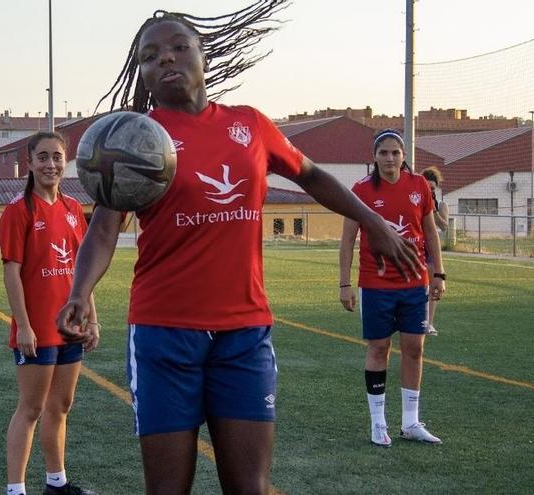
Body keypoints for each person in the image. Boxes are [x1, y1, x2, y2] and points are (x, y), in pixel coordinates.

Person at [57, 4, 421, 493]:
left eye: (179, 48)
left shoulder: (250, 125)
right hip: (165, 333)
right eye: (150, 56)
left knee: (250, 487)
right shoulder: (136, 138)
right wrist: (81, 290)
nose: (165, 60)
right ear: (142, 72)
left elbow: (310, 175)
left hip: (244, 333)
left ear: (202, 55)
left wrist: (373, 222)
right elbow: (103, 228)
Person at [0, 131, 99, 495]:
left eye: (57, 157)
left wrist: (93, 319)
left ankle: (56, 483)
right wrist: (23, 325)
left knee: (61, 405)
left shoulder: (73, 209)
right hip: (37, 330)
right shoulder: (18, 210)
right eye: (43, 157)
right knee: (31, 408)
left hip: (70, 328)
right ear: (29, 163)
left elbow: (83, 271)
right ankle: (15, 489)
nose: (50, 164)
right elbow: (12, 271)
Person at [338, 129, 446, 448]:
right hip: (376, 284)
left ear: (403, 156)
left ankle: (411, 422)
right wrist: (345, 284)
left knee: (415, 347)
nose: (389, 158)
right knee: (379, 348)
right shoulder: (360, 191)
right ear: (374, 156)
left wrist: (438, 273)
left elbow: (430, 233)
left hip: (415, 283)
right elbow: (347, 240)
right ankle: (378, 423)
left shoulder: (418, 187)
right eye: (383, 152)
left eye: (395, 152)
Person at [421, 167, 449, 336]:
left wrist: (433, 208)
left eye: (432, 188)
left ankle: (429, 323)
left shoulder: (441, 204)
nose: (429, 190)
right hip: (416, 247)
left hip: (431, 248)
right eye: (426, 186)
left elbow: (444, 225)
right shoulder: (415, 199)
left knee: (433, 285)